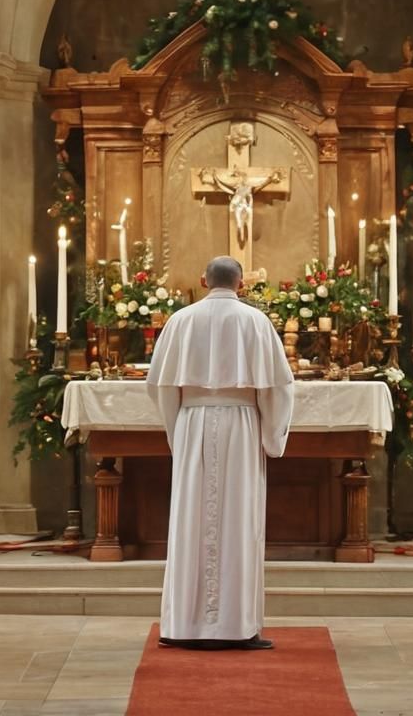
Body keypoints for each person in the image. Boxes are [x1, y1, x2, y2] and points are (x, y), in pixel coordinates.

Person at [145, 256, 295, 651]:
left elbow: (160, 385)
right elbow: (277, 388)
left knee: (192, 518)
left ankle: (182, 625)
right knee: (239, 519)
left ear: (202, 280)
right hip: (242, 426)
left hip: (192, 422)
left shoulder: (181, 320)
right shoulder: (256, 322)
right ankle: (237, 625)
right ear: (242, 284)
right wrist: (271, 437)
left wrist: (176, 430)